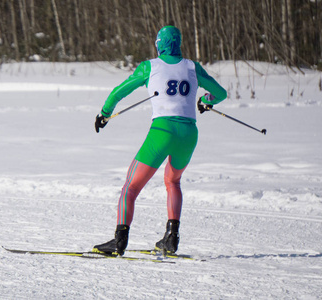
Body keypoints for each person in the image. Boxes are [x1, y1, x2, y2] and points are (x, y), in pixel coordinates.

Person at [93, 25, 227, 256]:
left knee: (131, 187)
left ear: (159, 44)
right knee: (173, 182)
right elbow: (221, 93)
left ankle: (119, 241)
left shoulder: (149, 66)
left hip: (162, 131)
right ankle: (171, 238)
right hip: (188, 134)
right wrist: (206, 100)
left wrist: (104, 114)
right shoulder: (192, 67)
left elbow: (118, 92)